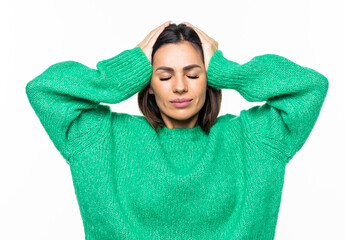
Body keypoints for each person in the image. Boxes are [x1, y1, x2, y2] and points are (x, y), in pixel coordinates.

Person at [25, 21, 329, 239]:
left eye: (193, 74)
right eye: (165, 75)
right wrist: (123, 72)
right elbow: (44, 90)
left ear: (208, 78)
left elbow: (311, 87)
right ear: (149, 83)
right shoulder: (106, 139)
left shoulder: (250, 139)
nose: (181, 86)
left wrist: (227, 70)